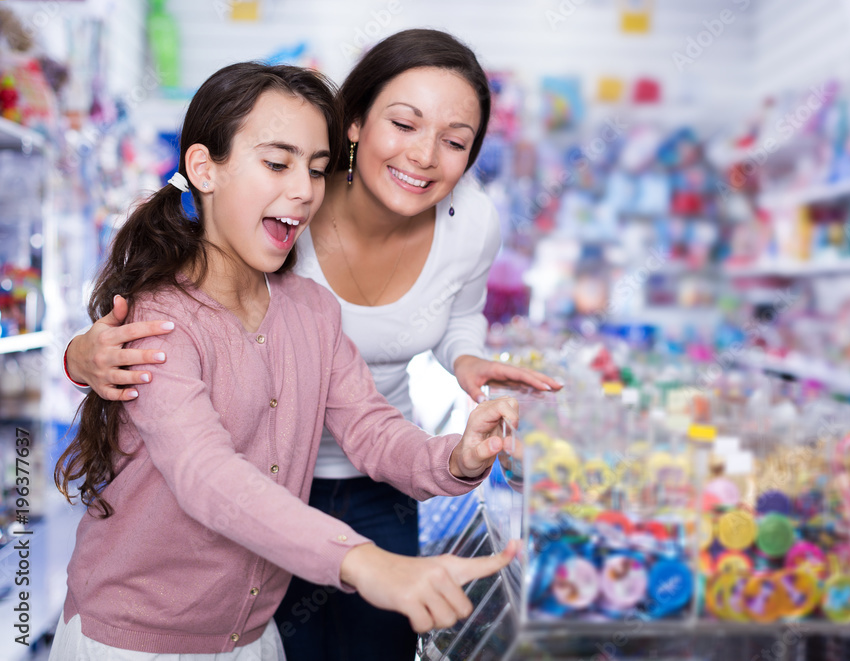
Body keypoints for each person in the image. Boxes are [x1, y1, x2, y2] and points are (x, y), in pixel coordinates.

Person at [63, 29, 559, 660]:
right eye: (277, 163)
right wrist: (365, 562)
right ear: (202, 168)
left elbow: (374, 429)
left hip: (251, 635)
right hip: (134, 640)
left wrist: (457, 457)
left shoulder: (310, 309)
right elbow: (207, 476)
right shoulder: (162, 317)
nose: (303, 189)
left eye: (316, 170)